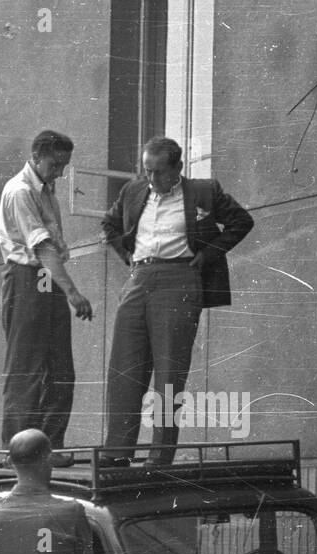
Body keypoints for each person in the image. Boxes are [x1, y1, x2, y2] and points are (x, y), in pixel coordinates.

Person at [100, 136, 254, 465]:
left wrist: (209, 255)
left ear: (177, 168)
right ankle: (116, 453)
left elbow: (242, 221)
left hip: (179, 279)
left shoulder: (203, 191)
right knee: (124, 368)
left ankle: (160, 456)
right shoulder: (133, 191)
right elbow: (108, 224)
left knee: (169, 372)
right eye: (146, 171)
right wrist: (128, 256)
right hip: (138, 279)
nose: (151, 180)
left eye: (158, 172)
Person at [0, 129, 93, 466]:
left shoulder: (45, 190)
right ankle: (19, 452)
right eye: (55, 164)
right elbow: (43, 248)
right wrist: (72, 291)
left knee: (60, 369)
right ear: (37, 157)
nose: (61, 173)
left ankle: (48, 447)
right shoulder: (20, 191)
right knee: (26, 369)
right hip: (28, 279)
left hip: (43, 279)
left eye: (64, 166)